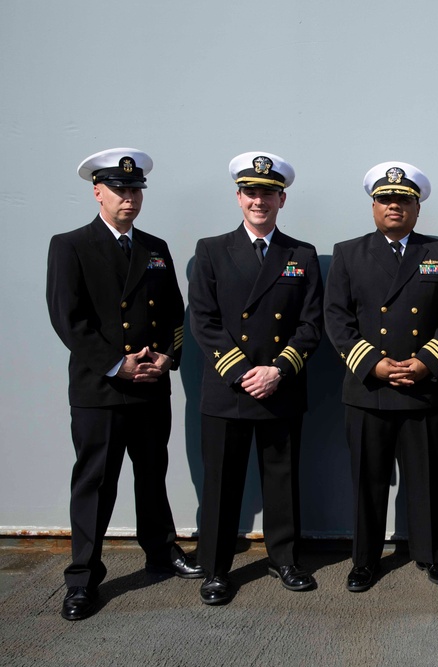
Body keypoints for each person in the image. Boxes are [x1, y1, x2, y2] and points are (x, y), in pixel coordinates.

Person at [46, 147, 204, 621]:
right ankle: (82, 578)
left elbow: (175, 313)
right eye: (119, 189)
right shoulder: (70, 245)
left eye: (135, 190)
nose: (128, 198)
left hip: (151, 384)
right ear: (97, 192)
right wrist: (117, 364)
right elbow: (67, 319)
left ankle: (160, 550)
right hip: (101, 388)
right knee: (95, 482)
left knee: (151, 473)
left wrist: (166, 357)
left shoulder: (155, 248)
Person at [324, 161, 438, 593]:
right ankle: (365, 560)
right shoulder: (349, 253)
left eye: (404, 200)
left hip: (422, 386)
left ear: (416, 208)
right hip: (369, 388)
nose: (394, 206)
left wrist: (427, 360)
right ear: (373, 206)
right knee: (367, 481)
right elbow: (336, 318)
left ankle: (431, 554)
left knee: (427, 479)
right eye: (386, 200)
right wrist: (374, 364)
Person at [188, 151, 323, 605]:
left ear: (282, 199)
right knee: (221, 484)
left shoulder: (300, 254)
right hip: (229, 388)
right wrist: (244, 372)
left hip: (279, 386)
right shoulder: (210, 250)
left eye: (267, 193)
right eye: (250, 192)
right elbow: (203, 321)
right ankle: (216, 569)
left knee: (282, 480)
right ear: (238, 197)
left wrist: (278, 370)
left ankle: (284, 559)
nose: (258, 201)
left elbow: (311, 324)